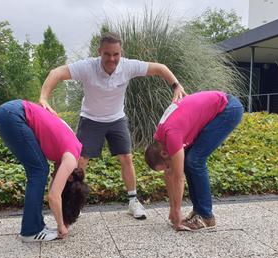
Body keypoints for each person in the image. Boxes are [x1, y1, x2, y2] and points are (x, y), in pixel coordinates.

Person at [39, 32, 186, 219]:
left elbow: (160, 68)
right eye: (107, 54)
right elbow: (56, 73)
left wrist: (176, 85)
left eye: (116, 54)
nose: (112, 59)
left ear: (120, 52)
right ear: (99, 51)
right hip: (91, 119)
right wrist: (44, 97)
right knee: (80, 162)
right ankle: (71, 203)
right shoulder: (87, 67)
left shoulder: (128, 66)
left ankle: (133, 202)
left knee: (126, 157)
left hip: (117, 119)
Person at [144, 91, 243, 231]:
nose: (167, 170)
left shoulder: (171, 134)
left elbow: (178, 177)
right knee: (190, 161)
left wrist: (177, 212)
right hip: (221, 107)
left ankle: (206, 216)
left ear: (164, 153)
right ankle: (199, 212)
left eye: (166, 166)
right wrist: (172, 208)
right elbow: (169, 174)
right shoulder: (161, 139)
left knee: (194, 161)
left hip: (228, 109)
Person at [0, 99, 90, 242]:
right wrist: (61, 225)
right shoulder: (70, 160)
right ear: (69, 178)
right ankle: (31, 231)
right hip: (13, 115)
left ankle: (36, 226)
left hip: (11, 110)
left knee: (41, 170)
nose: (53, 177)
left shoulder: (72, 146)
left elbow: (53, 189)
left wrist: (65, 219)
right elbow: (54, 196)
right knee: (39, 171)